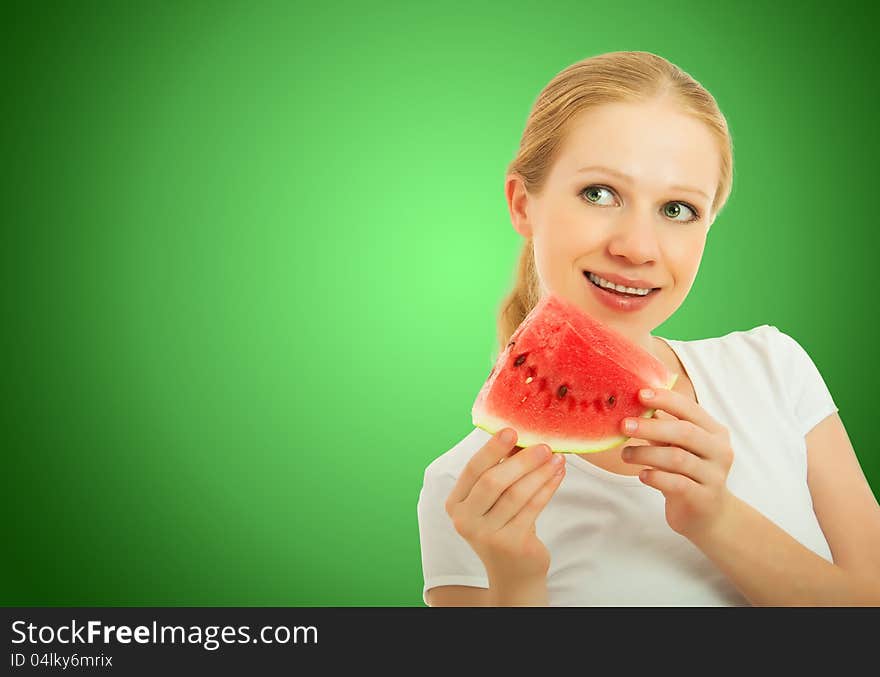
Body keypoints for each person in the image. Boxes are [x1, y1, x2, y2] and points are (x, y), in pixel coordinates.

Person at [416, 51, 880, 607]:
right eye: (599, 194)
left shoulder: (773, 369)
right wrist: (516, 584)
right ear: (523, 205)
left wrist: (717, 519)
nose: (636, 248)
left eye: (678, 209)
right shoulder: (465, 493)